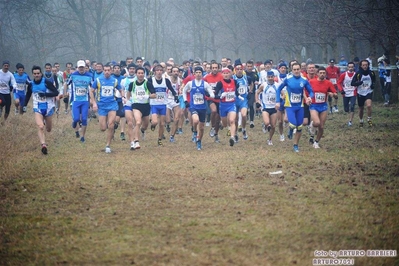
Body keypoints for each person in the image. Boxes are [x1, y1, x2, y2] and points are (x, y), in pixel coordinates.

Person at [276, 63, 313, 152]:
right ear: (291, 70)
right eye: (294, 69)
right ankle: (290, 129)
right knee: (293, 124)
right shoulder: (288, 79)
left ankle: (295, 145)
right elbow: (278, 89)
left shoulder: (304, 80)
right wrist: (278, 101)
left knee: (300, 127)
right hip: (290, 106)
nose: (296, 71)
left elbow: (311, 91)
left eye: (298, 69)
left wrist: (309, 98)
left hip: (300, 106)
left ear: (300, 70)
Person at [24, 65, 60, 154]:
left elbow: (56, 92)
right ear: (32, 74)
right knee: (40, 126)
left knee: (48, 129)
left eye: (38, 73)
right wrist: (24, 105)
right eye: (35, 74)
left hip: (48, 108)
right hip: (38, 108)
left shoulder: (46, 82)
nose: (37, 75)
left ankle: (45, 123)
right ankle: (43, 145)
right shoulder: (31, 84)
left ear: (41, 73)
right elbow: (28, 95)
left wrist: (45, 95)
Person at [90, 64, 122, 153]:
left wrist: (122, 96)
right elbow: (91, 91)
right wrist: (94, 102)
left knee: (111, 125)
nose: (107, 72)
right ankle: (108, 126)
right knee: (103, 128)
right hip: (102, 106)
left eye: (108, 70)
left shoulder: (114, 81)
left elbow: (120, 89)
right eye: (105, 70)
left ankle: (108, 145)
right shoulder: (98, 80)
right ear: (103, 71)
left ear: (111, 71)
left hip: (112, 105)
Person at [182, 66, 215, 150]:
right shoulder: (190, 83)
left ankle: (199, 141)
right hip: (193, 107)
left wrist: (208, 95)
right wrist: (185, 101)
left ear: (202, 74)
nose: (198, 74)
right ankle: (194, 131)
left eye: (200, 72)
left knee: (202, 127)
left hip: (202, 108)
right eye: (196, 72)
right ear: (194, 74)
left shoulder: (205, 84)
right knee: (195, 120)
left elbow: (212, 94)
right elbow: (184, 91)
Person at [126, 66, 156, 150]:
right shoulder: (132, 84)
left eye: (142, 73)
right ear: (136, 74)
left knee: (145, 126)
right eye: (139, 73)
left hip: (146, 106)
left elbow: (154, 95)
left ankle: (142, 131)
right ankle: (136, 141)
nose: (140, 75)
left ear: (144, 74)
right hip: (136, 105)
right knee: (138, 122)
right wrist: (128, 100)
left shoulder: (147, 83)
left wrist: (147, 96)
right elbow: (128, 93)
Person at [148, 64, 179, 146]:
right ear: (154, 72)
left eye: (160, 70)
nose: (159, 72)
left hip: (163, 104)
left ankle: (159, 139)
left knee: (162, 124)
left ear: (162, 72)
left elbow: (172, 89)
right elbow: (147, 89)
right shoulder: (151, 80)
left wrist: (176, 96)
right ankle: (153, 124)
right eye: (157, 70)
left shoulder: (166, 81)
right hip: (154, 104)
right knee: (155, 122)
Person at [308, 67, 338, 148]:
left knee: (321, 126)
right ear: (317, 74)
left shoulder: (328, 83)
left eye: (323, 73)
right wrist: (308, 98)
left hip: (323, 106)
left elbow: (335, 93)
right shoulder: (311, 82)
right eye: (320, 73)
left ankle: (316, 142)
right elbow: (306, 91)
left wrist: (333, 94)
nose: (322, 74)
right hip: (314, 105)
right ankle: (312, 124)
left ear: (325, 74)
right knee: (316, 123)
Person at [64, 60, 92, 142]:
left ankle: (82, 136)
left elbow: (92, 88)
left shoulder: (89, 76)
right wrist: (65, 93)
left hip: (85, 100)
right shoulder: (73, 75)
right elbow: (66, 83)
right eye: (80, 67)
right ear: (77, 68)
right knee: (76, 119)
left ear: (85, 67)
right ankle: (74, 123)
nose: (81, 69)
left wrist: (93, 99)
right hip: (75, 100)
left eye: (82, 67)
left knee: (84, 119)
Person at [215, 68, 241, 146]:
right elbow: (215, 94)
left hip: (231, 104)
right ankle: (221, 124)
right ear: (222, 74)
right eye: (224, 73)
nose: (226, 75)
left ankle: (232, 137)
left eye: (227, 73)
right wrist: (220, 96)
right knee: (225, 124)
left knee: (232, 120)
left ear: (230, 74)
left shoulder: (235, 82)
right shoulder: (220, 83)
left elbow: (236, 92)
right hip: (223, 105)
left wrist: (238, 95)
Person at [256, 71, 280, 145]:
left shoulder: (277, 85)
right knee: (267, 123)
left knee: (273, 126)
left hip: (274, 108)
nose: (270, 78)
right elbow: (257, 92)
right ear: (266, 77)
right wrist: (257, 101)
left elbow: (283, 94)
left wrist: (279, 101)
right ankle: (265, 124)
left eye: (271, 77)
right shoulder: (263, 85)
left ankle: (269, 139)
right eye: (268, 77)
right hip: (265, 107)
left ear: (274, 77)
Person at [351, 60, 376, 127]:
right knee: (361, 108)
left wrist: (373, 85)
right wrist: (358, 83)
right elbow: (352, 83)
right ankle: (361, 120)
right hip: (360, 93)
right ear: (361, 66)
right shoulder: (358, 73)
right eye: (363, 65)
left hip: (368, 91)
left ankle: (369, 119)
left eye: (366, 65)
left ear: (368, 65)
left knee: (369, 105)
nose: (365, 66)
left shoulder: (371, 73)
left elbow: (374, 80)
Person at [203, 62, 223, 143]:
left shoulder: (221, 76)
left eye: (216, 68)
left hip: (220, 99)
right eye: (213, 68)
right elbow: (203, 87)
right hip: (210, 98)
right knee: (213, 111)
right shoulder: (207, 77)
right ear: (211, 69)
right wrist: (206, 93)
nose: (214, 69)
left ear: (218, 68)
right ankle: (212, 126)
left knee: (218, 119)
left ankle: (216, 134)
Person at [233, 59, 252, 141]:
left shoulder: (246, 78)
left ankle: (244, 129)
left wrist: (250, 91)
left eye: (241, 69)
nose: (239, 71)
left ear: (243, 70)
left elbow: (251, 84)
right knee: (236, 119)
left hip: (243, 100)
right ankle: (236, 133)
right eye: (238, 69)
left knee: (244, 115)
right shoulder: (232, 78)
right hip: (235, 101)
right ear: (235, 70)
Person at [337, 62, 357, 126]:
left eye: (352, 67)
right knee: (346, 109)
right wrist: (341, 90)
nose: (351, 68)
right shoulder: (343, 75)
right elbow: (338, 83)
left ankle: (350, 121)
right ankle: (348, 107)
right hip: (345, 93)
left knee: (352, 106)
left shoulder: (356, 74)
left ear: (354, 67)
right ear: (347, 67)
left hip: (353, 92)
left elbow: (359, 82)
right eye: (349, 67)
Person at [167, 66, 182, 143]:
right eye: (174, 71)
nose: (176, 73)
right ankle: (167, 125)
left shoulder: (180, 81)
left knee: (176, 119)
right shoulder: (167, 80)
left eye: (177, 71)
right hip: (167, 100)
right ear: (171, 72)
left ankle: (172, 136)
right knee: (168, 120)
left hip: (175, 100)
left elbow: (182, 89)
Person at [245, 60, 259, 129]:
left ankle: (251, 121)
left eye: (251, 66)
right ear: (246, 66)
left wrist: (257, 83)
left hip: (252, 92)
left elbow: (258, 81)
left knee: (251, 105)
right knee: (245, 107)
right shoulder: (243, 73)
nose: (249, 68)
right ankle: (246, 116)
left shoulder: (255, 74)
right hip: (244, 93)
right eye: (248, 66)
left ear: (253, 66)